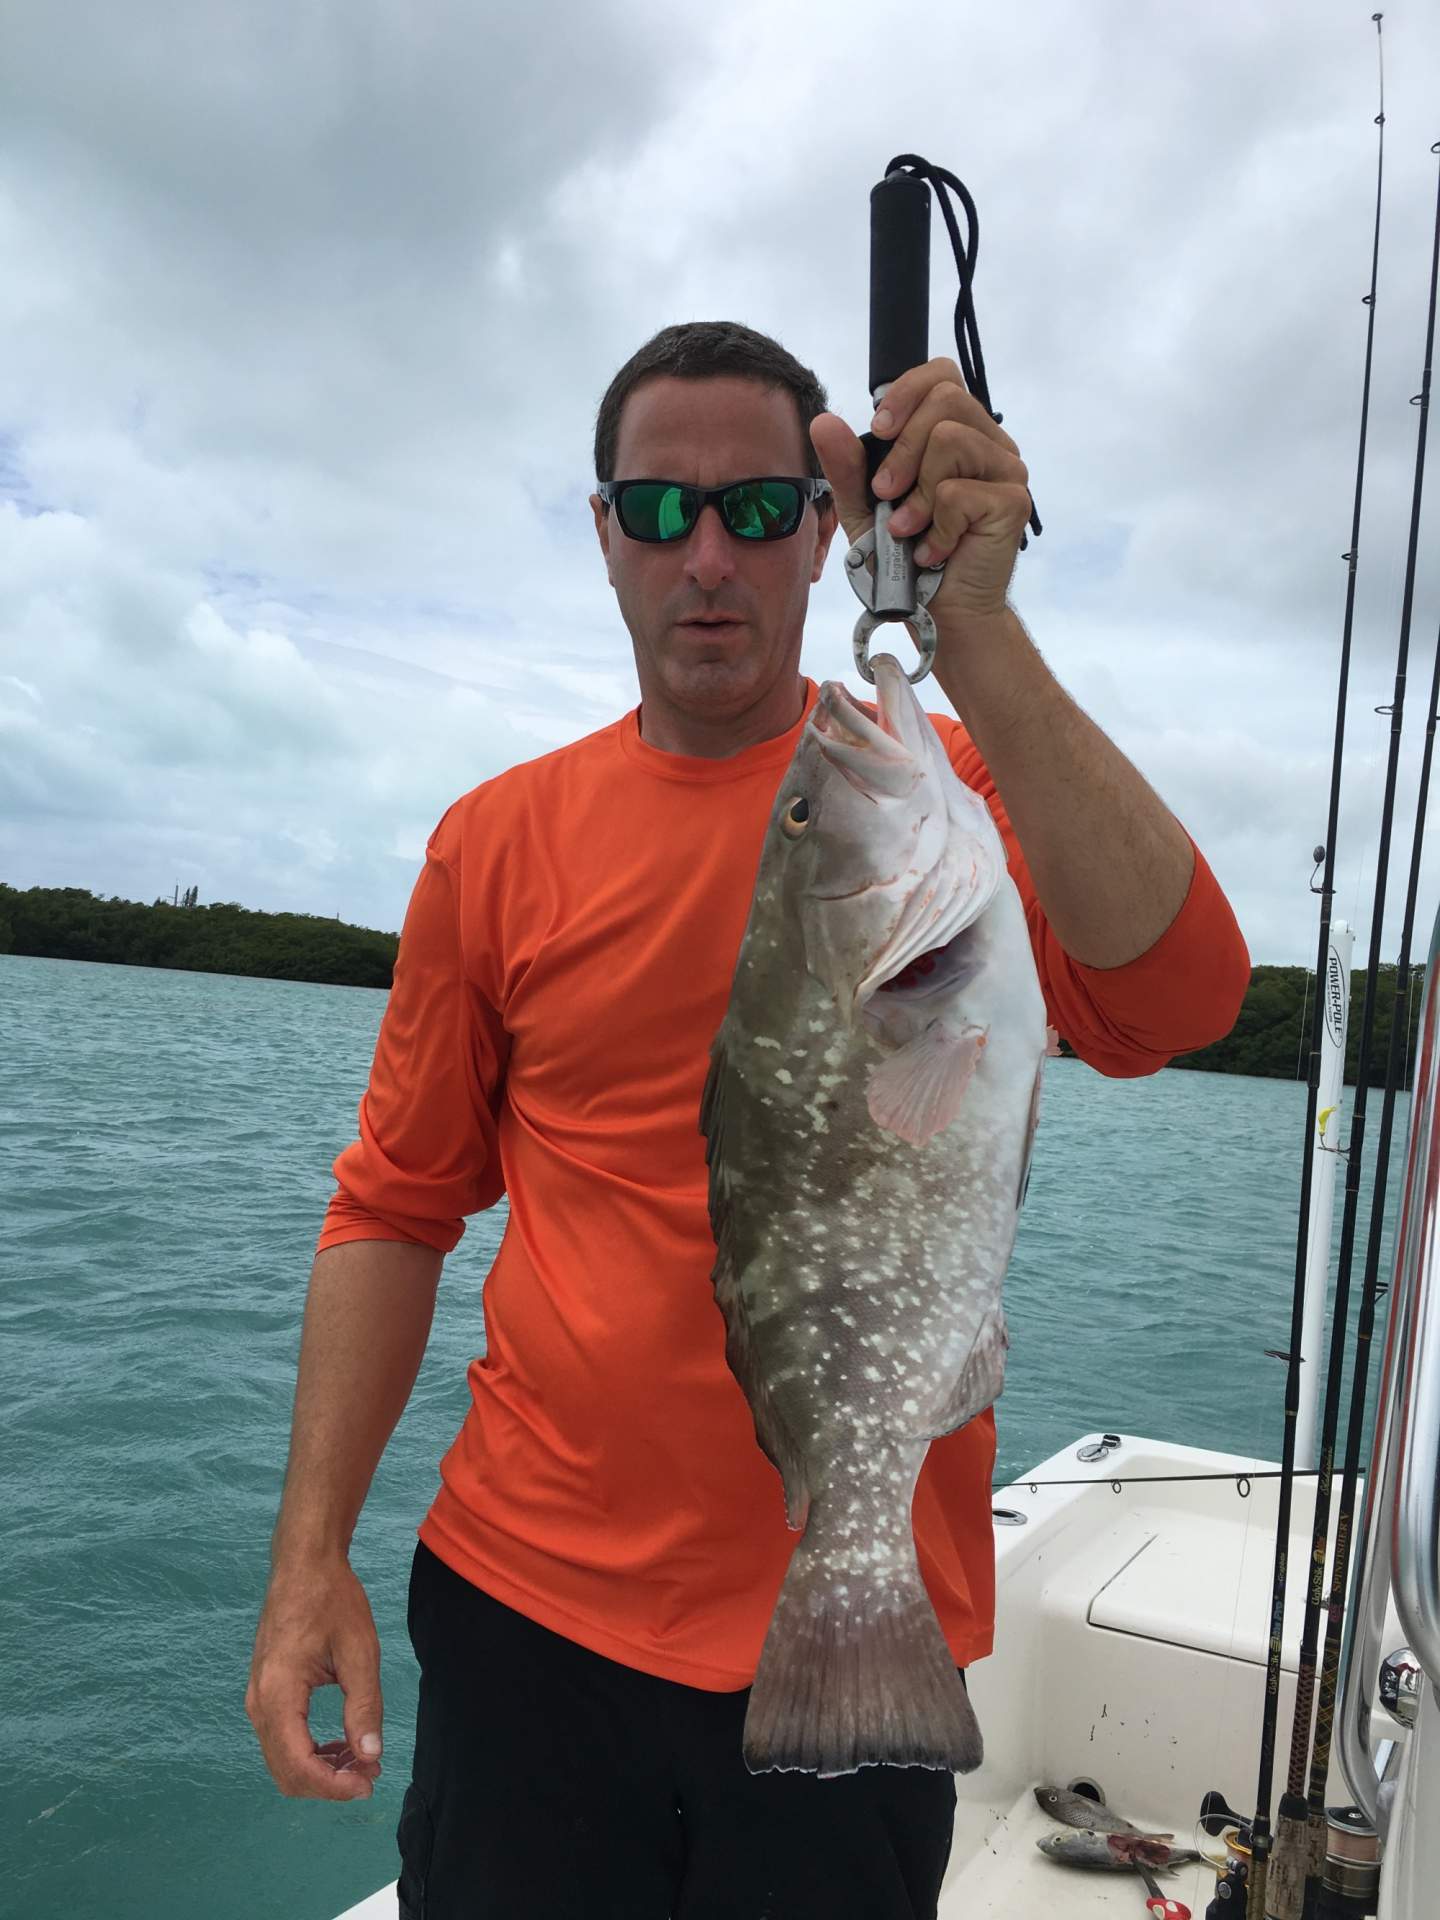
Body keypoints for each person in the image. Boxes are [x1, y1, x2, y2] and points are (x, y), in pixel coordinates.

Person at [245, 321, 1250, 1919]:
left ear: (827, 526)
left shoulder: (960, 802)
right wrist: (310, 1557)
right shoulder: (493, 842)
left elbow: (1186, 1002)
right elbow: (393, 1206)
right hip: (526, 1617)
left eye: (759, 510)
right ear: (605, 536)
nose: (704, 556)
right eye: (657, 513)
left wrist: (976, 630)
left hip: (862, 1620)